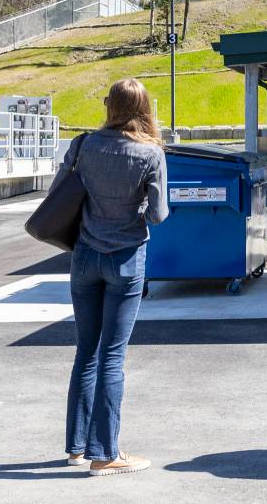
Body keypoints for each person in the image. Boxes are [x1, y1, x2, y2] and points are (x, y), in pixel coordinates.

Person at [57, 78, 168, 477]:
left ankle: (76, 448)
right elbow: (157, 214)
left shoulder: (84, 144)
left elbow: (60, 192)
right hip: (125, 261)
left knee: (85, 352)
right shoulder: (150, 153)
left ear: (109, 106)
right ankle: (105, 454)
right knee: (112, 357)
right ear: (145, 110)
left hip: (84, 257)